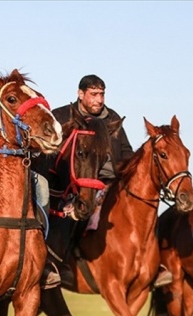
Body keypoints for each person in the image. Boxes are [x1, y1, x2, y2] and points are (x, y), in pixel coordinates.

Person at [43, 74, 134, 288]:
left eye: (101, 94)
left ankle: (151, 262)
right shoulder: (61, 115)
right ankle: (60, 262)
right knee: (77, 211)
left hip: (111, 183)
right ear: (80, 94)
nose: (99, 100)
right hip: (70, 184)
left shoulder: (112, 118)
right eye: (93, 94)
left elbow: (126, 152)